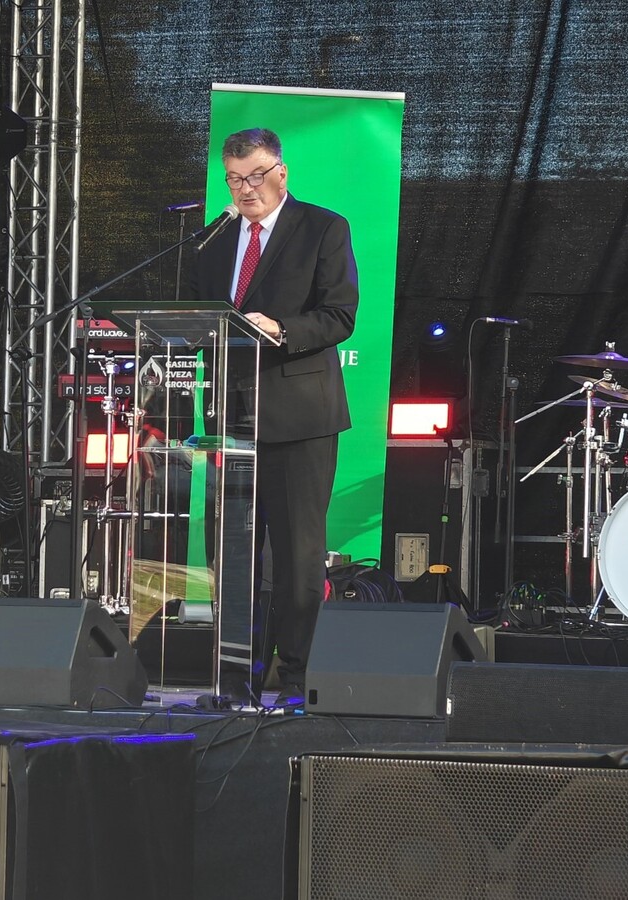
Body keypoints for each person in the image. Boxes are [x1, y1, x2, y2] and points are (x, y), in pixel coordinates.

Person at [184, 127, 359, 706]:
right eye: (234, 179)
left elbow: (340, 315)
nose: (245, 189)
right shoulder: (212, 240)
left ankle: (298, 680)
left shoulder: (323, 227)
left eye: (256, 176)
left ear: (281, 172)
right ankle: (236, 679)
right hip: (230, 420)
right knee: (232, 557)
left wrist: (281, 329)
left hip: (300, 419)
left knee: (297, 556)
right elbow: (194, 318)